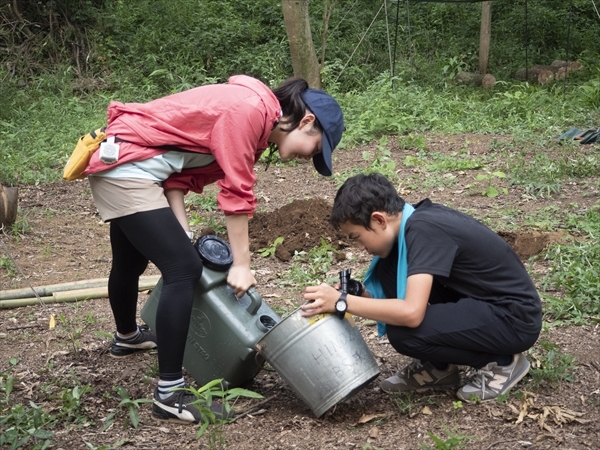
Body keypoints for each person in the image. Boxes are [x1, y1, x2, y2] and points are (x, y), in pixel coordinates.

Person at [82, 75, 344, 424]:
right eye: (314, 149)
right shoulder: (251, 112)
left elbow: (178, 179)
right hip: (130, 166)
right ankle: (169, 395)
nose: (307, 157)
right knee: (183, 270)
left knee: (133, 259)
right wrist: (241, 263)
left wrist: (184, 233)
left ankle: (127, 336)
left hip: (131, 161)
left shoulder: (256, 120)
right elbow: (236, 195)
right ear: (306, 121)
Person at [302, 173, 541, 402]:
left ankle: (502, 361)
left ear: (378, 220)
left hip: (513, 317)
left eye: (357, 237)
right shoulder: (410, 226)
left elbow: (411, 313)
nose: (360, 247)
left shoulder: (424, 228)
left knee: (405, 331)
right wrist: (359, 294)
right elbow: (398, 294)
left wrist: (342, 302)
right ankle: (440, 367)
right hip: (481, 303)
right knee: (389, 268)